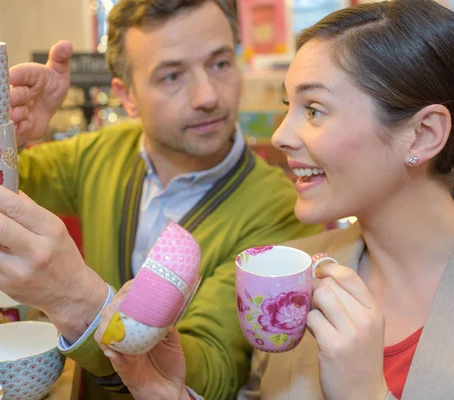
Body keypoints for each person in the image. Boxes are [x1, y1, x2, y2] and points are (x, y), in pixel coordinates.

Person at [0, 0, 322, 399]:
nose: (207, 96)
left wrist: (79, 301)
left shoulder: (281, 208)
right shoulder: (102, 153)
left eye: (219, 64)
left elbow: (214, 373)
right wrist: (13, 139)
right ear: (127, 96)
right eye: (171, 76)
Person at [93, 0, 454, 399]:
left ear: (423, 134)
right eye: (289, 107)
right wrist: (168, 392)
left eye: (314, 110)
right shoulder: (289, 277)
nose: (282, 135)